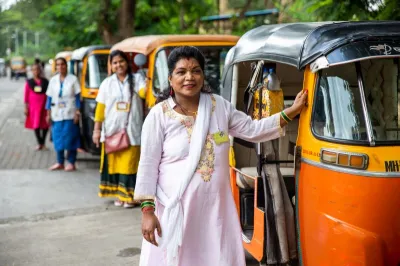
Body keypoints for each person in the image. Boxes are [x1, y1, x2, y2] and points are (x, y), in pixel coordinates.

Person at [134, 46, 308, 266]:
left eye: (196, 70)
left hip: (215, 207)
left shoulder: (218, 107)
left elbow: (253, 130)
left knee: (216, 256)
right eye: (181, 72)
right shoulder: (159, 116)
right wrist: (147, 212)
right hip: (177, 209)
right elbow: (148, 165)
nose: (190, 77)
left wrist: (291, 111)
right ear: (170, 78)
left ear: (203, 75)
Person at [92, 50, 147, 209]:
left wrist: (147, 81)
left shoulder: (137, 79)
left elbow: (144, 93)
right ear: (111, 65)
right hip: (111, 131)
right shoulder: (106, 83)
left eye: (121, 61)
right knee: (114, 165)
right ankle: (119, 195)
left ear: (127, 63)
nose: (118, 65)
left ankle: (129, 196)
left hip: (132, 131)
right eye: (115, 62)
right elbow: (100, 109)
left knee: (130, 164)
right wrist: (96, 130)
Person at [46, 57, 81, 172]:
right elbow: (49, 98)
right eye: (58, 65)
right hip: (56, 114)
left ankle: (71, 162)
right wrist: (48, 113)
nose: (60, 67)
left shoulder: (73, 79)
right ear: (55, 67)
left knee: (71, 138)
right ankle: (60, 162)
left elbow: (77, 97)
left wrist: (77, 112)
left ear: (66, 66)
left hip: (70, 114)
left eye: (62, 64)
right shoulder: (53, 80)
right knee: (58, 139)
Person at [24, 63, 50, 150]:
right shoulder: (29, 82)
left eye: (38, 69)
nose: (36, 71)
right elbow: (26, 95)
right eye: (34, 70)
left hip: (44, 106)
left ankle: (43, 142)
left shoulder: (45, 82)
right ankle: (40, 143)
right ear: (32, 71)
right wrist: (25, 107)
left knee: (45, 125)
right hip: (34, 107)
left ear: (40, 70)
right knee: (36, 124)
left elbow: (49, 94)